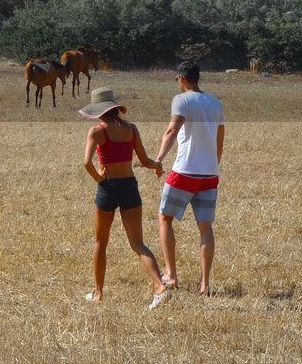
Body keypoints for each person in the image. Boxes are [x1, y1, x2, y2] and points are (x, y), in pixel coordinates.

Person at [79, 87, 172, 309]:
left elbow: (86, 162)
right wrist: (157, 166)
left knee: (101, 242)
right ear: (114, 108)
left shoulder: (97, 131)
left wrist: (99, 180)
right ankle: (159, 286)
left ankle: (98, 293)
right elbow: (144, 160)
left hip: (108, 187)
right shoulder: (131, 129)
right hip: (130, 186)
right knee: (138, 243)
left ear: (99, 111)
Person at [155, 61, 225, 296]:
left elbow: (172, 130)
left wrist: (159, 158)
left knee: (165, 218)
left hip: (184, 171)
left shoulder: (181, 99)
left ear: (181, 79)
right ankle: (205, 284)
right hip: (209, 173)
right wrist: (213, 166)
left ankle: (171, 275)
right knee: (205, 226)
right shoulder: (216, 103)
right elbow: (219, 140)